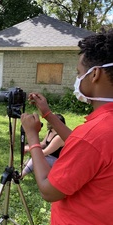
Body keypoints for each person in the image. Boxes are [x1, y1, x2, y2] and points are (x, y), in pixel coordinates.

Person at [20, 29, 113, 224]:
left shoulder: (93, 135)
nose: (78, 79)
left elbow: (48, 190)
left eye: (79, 73)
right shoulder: (102, 130)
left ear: (94, 73)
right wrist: (47, 114)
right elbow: (87, 150)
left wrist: (32, 136)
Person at [21, 114, 65, 179]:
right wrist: (30, 145)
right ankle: (28, 166)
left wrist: (30, 148)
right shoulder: (50, 131)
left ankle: (20, 176)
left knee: (37, 158)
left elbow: (44, 153)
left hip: (57, 161)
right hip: (49, 155)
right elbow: (43, 144)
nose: (48, 123)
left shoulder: (59, 137)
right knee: (35, 153)